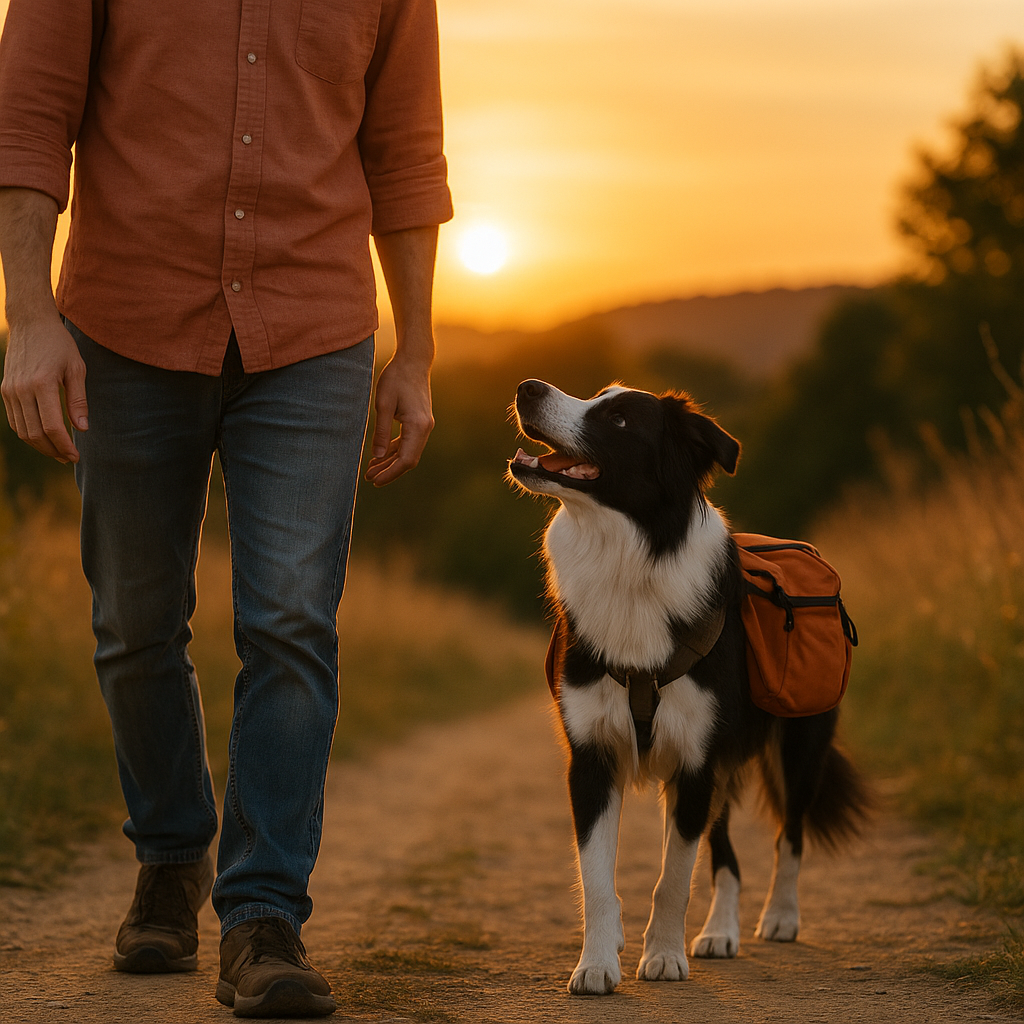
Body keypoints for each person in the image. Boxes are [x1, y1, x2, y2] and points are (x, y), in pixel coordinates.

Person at [0, 0, 452, 1017]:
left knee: (291, 621)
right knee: (133, 620)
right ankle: (170, 851)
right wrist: (29, 316)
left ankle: (262, 916)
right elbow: (28, 121)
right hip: (123, 321)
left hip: (314, 328)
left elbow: (406, 154)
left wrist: (414, 350)